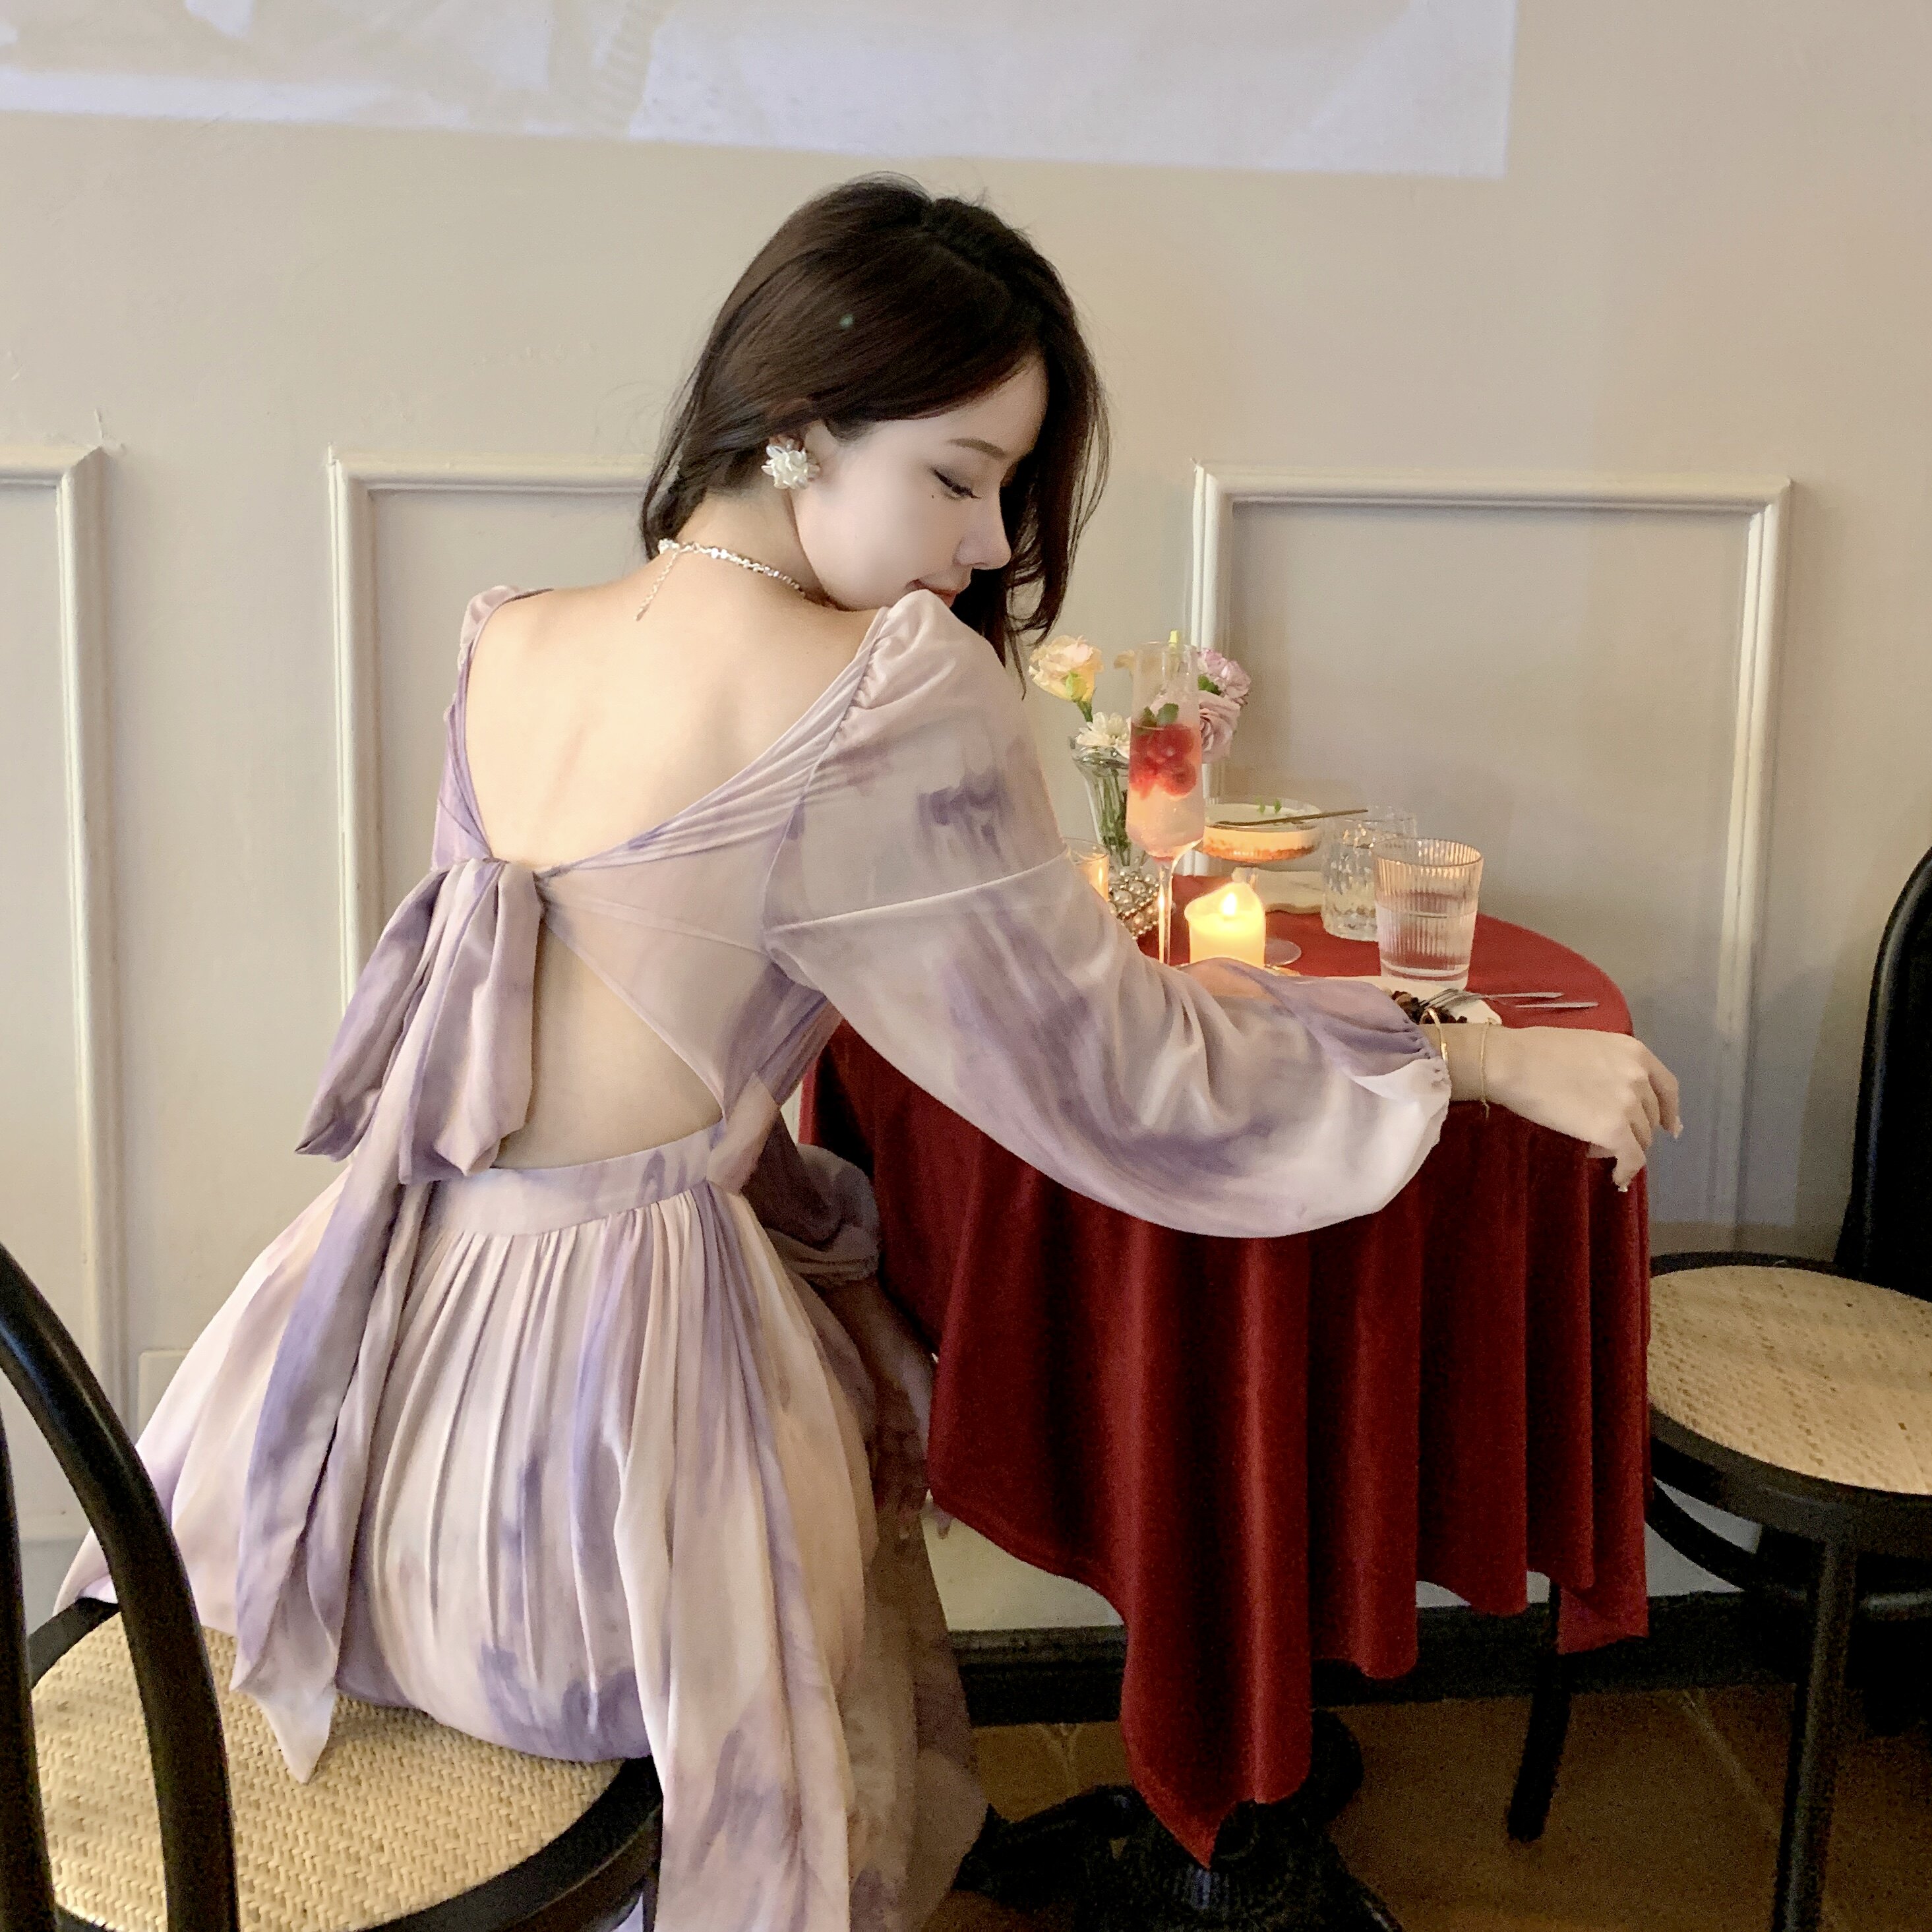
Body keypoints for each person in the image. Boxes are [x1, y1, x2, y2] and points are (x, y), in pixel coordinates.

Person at [57, 175, 1679, 1932]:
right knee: (816, 1533)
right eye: (959, 479)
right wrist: (1472, 1053)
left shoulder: (511, 634)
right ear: (798, 429)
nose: (983, 547)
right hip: (590, 1496)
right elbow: (1129, 1076)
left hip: (323, 1433)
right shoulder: (884, 687)